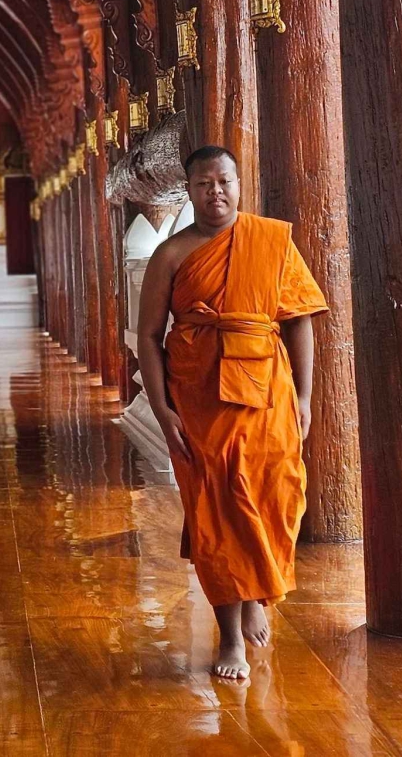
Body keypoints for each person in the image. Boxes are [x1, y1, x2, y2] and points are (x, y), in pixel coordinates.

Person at [135, 145, 328, 682]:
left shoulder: (270, 241)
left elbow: (299, 321)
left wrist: (306, 397)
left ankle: (250, 601)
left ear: (239, 184)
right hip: (199, 399)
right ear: (189, 190)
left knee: (272, 495)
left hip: (267, 391)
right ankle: (229, 638)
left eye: (224, 182)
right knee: (217, 507)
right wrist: (160, 406)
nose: (214, 192)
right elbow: (149, 337)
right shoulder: (171, 254)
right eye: (203, 184)